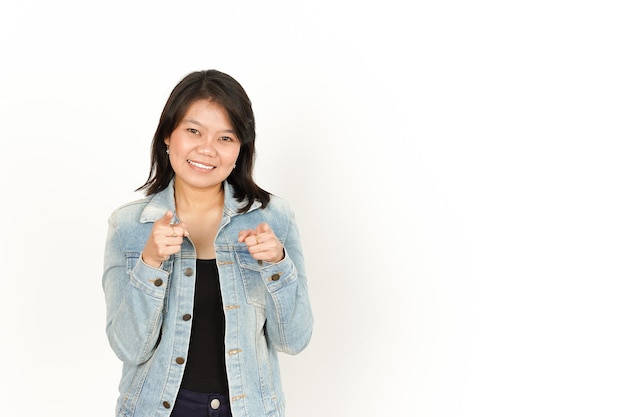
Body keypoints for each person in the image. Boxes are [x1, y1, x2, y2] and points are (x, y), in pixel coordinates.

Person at [102, 69, 314, 417]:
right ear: (168, 135)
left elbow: (294, 340)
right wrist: (150, 261)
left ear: (240, 149)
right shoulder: (129, 226)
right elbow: (129, 347)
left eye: (225, 138)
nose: (207, 149)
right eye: (194, 131)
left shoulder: (273, 218)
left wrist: (278, 264)